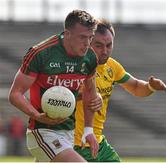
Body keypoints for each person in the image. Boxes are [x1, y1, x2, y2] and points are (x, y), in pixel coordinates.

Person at [8, 10, 103, 162]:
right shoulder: (41, 53)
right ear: (68, 33)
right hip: (41, 131)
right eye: (82, 37)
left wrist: (88, 130)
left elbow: (90, 93)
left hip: (68, 133)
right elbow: (15, 94)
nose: (87, 43)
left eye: (90, 37)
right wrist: (37, 115)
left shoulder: (90, 57)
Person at [74, 19, 166, 162]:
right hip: (76, 144)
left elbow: (136, 87)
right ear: (88, 43)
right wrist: (88, 95)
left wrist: (150, 87)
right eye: (98, 46)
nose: (105, 51)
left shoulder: (112, 67)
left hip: (98, 142)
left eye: (109, 45)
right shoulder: (74, 66)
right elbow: (60, 96)